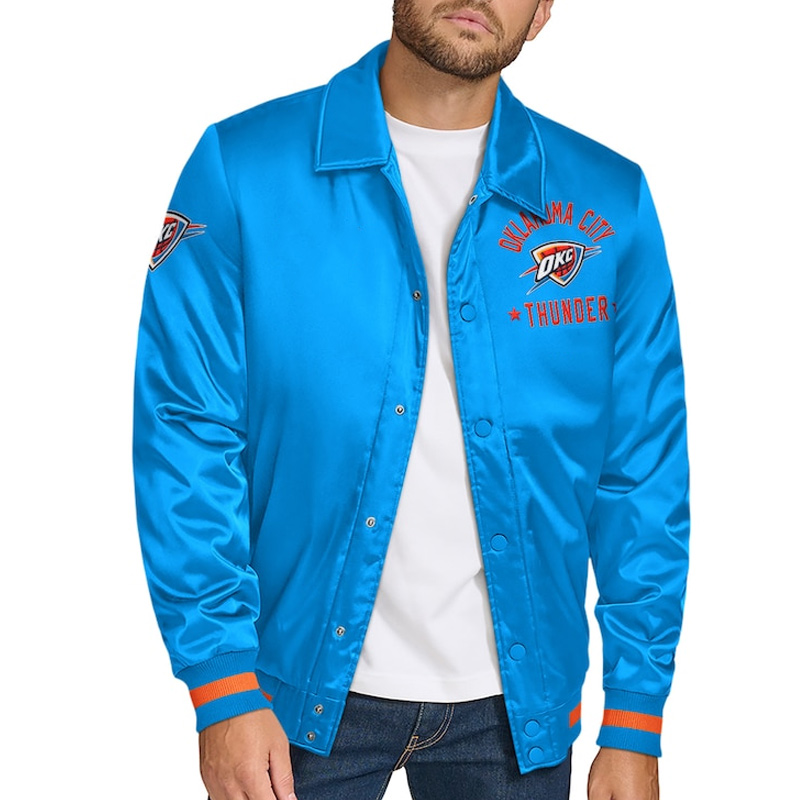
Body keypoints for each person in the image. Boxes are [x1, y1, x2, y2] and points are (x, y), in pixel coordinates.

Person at [133, 1, 690, 798]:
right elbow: (187, 433)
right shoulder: (243, 170)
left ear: (542, 11)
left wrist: (635, 717)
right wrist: (220, 681)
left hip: (520, 713)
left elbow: (642, 474)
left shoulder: (609, 202)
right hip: (290, 698)